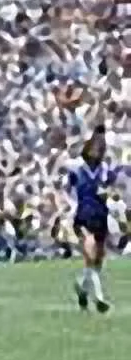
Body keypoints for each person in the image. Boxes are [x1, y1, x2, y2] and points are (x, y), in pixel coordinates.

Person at [69, 126, 113, 313]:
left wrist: (107, 194)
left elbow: (109, 189)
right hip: (82, 216)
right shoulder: (76, 168)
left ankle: (81, 288)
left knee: (97, 261)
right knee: (90, 254)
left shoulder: (104, 169)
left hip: (100, 216)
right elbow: (67, 190)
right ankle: (99, 298)